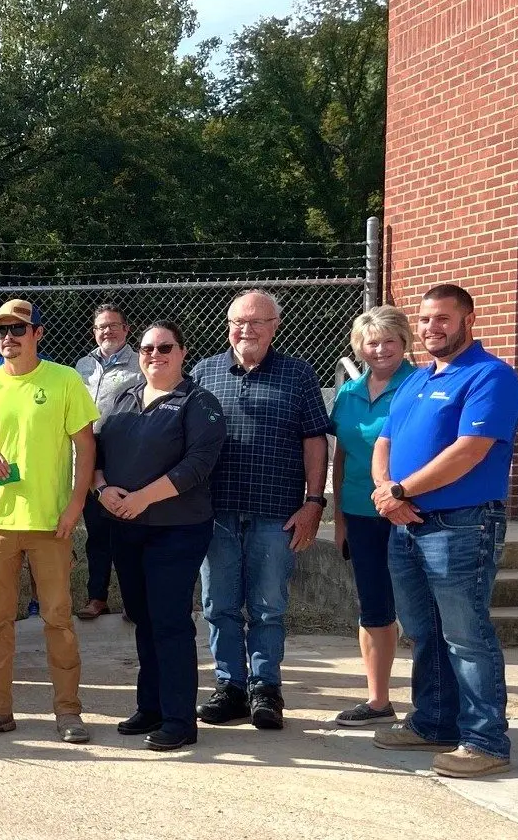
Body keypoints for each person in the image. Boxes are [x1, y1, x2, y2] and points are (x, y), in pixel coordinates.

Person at [371, 283, 518, 778]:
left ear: (468, 320)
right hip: (405, 524)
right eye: (426, 319)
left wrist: (401, 492)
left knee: (466, 634)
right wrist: (386, 493)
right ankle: (435, 721)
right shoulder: (414, 381)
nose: (432, 327)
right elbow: (384, 443)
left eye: (443, 318)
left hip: (461, 524)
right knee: (422, 630)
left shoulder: (491, 376)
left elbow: (470, 450)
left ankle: (485, 740)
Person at [0, 299, 96, 744]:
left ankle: (68, 713)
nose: (8, 338)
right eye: (2, 331)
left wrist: (75, 508)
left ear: (38, 333)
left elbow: (86, 448)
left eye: (18, 329)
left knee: (57, 619)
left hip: (50, 524)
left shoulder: (64, 380)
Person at [190, 289, 332, 730]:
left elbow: (315, 440)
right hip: (216, 513)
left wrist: (314, 503)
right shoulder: (204, 372)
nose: (246, 329)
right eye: (238, 321)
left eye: (256, 321)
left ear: (275, 326)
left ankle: (266, 690)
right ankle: (229, 687)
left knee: (268, 607)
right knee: (219, 606)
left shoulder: (298, 374)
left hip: (277, 513)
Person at [94, 322, 228, 751]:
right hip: (126, 525)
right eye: (148, 348)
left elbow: (198, 464)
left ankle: (179, 719)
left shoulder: (198, 402)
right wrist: (101, 488)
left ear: (182, 352)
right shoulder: (123, 397)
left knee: (169, 622)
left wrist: (143, 499)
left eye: (165, 347)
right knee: (142, 618)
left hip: (177, 528)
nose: (155, 355)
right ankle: (149, 706)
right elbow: (97, 452)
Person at [328, 306, 415, 728]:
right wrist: (340, 516)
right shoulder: (348, 393)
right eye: (371, 342)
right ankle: (378, 700)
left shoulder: (418, 385)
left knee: (421, 609)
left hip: (410, 511)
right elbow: (342, 453)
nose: (379, 349)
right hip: (361, 512)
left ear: (404, 343)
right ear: (358, 347)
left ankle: (437, 704)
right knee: (373, 607)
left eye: (388, 341)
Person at [75, 303, 135, 621]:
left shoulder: (140, 364)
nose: (107, 331)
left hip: (124, 456)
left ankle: (132, 600)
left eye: (113, 325)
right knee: (96, 533)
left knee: (125, 532)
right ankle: (96, 597)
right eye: (101, 327)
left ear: (126, 330)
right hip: (88, 454)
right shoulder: (82, 366)